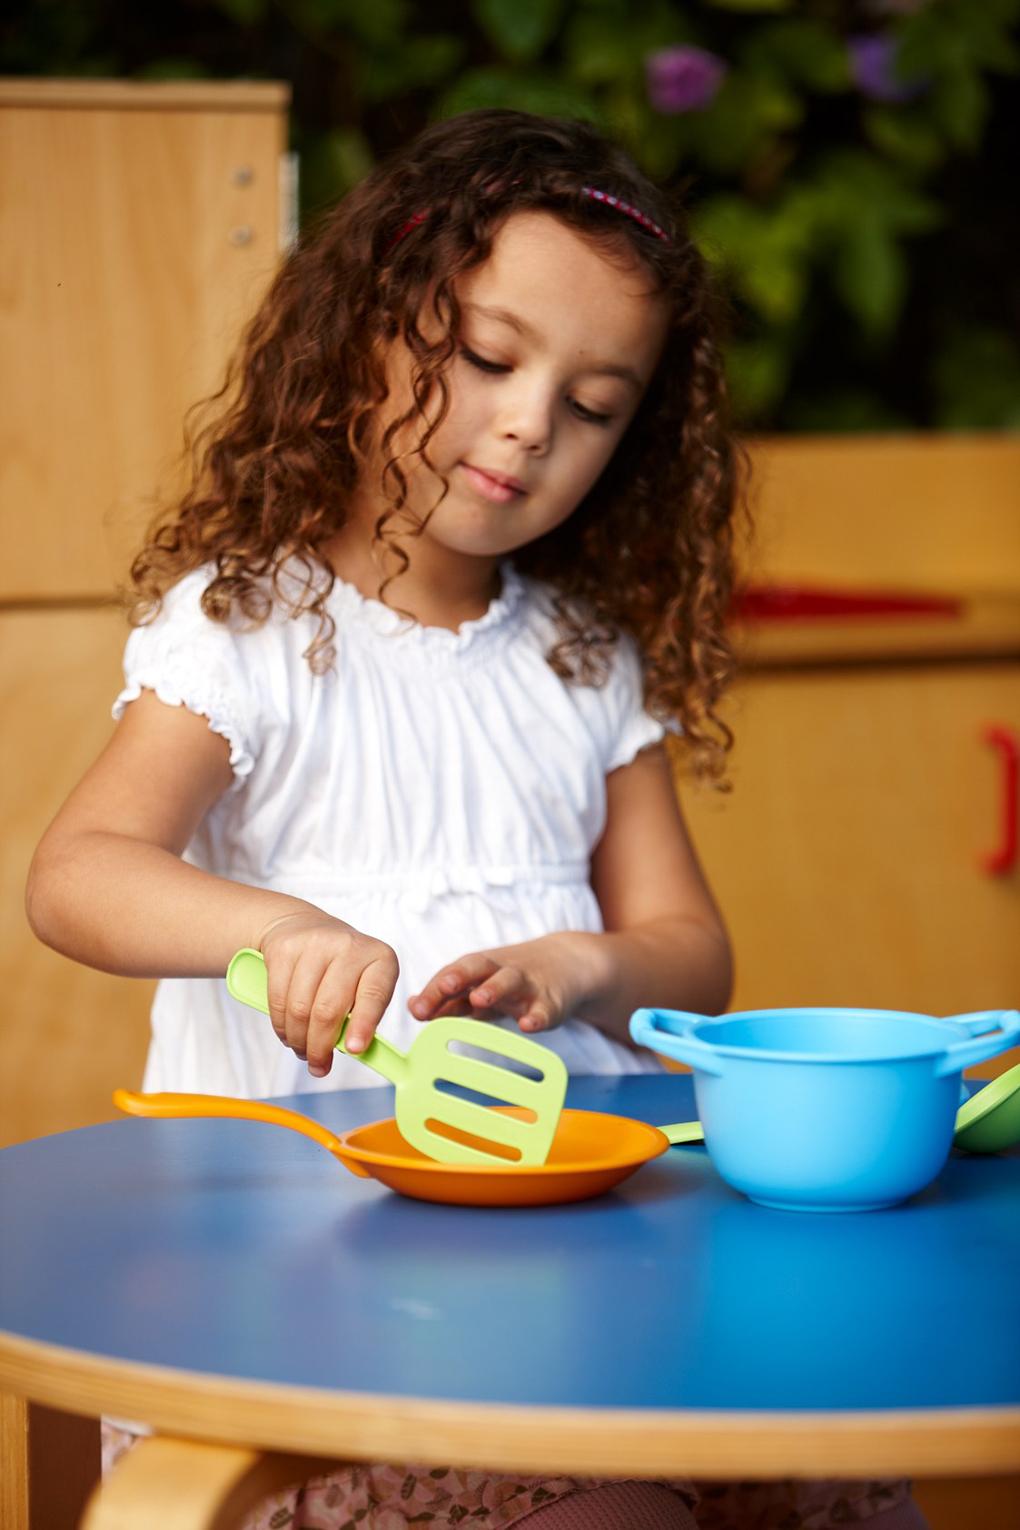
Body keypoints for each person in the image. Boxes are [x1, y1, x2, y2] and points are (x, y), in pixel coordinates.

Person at [27, 110, 927, 1530]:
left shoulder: (583, 661)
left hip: (578, 1265)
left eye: (594, 404)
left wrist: (586, 966)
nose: (530, 424)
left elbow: (692, 956)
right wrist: (279, 929)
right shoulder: (248, 628)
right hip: (304, 1298)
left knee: (848, 1464)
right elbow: (79, 874)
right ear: (370, 329)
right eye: (492, 358)